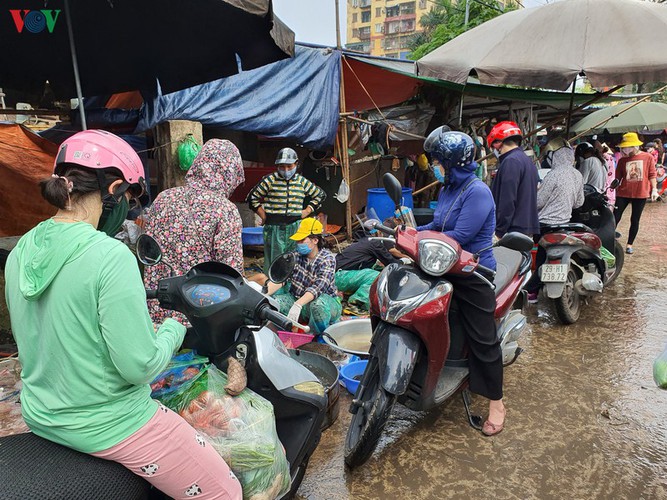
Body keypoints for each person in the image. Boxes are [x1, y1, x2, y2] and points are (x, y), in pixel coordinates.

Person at [4, 130, 241, 500]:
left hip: (42, 412)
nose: (129, 211)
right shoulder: (109, 256)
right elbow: (141, 367)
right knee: (226, 493)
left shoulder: (21, 249)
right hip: (110, 422)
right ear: (114, 189)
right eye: (130, 200)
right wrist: (174, 327)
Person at [420, 127, 505, 436]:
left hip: (475, 271)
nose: (434, 166)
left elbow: (459, 237)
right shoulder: (448, 189)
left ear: (454, 162)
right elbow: (438, 223)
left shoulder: (477, 191)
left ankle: (496, 402)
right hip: (445, 265)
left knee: (484, 339)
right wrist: (412, 229)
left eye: (439, 161)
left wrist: (422, 239)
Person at [143, 139, 245, 328]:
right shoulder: (225, 209)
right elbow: (232, 275)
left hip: (156, 312)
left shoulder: (163, 198)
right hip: (197, 318)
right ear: (229, 173)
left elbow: (148, 251)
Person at [525, 138, 584, 302]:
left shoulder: (553, 175)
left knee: (542, 260)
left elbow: (538, 202)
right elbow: (579, 203)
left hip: (544, 226)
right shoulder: (577, 174)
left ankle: (532, 292)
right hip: (564, 225)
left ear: (554, 157)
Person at [248, 148, 325, 273]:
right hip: (274, 227)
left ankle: (292, 285)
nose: (286, 170)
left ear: (296, 164)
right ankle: (272, 287)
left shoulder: (302, 181)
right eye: (282, 167)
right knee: (274, 261)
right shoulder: (269, 180)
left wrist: (307, 210)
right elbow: (252, 198)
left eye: (289, 166)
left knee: (294, 259)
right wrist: (263, 216)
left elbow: (320, 195)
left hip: (295, 227)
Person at [267, 218, 342, 334]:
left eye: (302, 240)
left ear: (315, 240)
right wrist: (264, 294)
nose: (298, 244)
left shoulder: (327, 259)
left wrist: (298, 304)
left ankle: (320, 336)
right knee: (275, 303)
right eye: (297, 241)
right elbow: (281, 279)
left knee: (317, 306)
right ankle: (280, 334)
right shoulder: (295, 257)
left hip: (325, 303)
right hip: (298, 300)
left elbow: (318, 287)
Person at [334, 221, 409, 311]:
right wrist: (404, 261)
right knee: (376, 277)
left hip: (339, 276)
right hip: (340, 277)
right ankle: (357, 303)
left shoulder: (364, 242)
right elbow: (391, 263)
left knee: (376, 270)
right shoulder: (374, 243)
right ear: (378, 232)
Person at [488, 121, 540, 239]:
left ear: (498, 143)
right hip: (525, 229)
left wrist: (499, 232)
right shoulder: (527, 161)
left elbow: (507, 200)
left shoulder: (510, 162)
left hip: (512, 231)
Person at [614, 132, 658, 254]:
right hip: (623, 193)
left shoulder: (647, 157)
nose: (624, 149)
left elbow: (652, 174)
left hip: (640, 193)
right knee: (615, 217)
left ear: (634, 146)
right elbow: (618, 178)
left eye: (626, 147)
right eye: (623, 147)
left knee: (635, 219)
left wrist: (654, 189)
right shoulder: (622, 160)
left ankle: (629, 244)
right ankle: (608, 239)